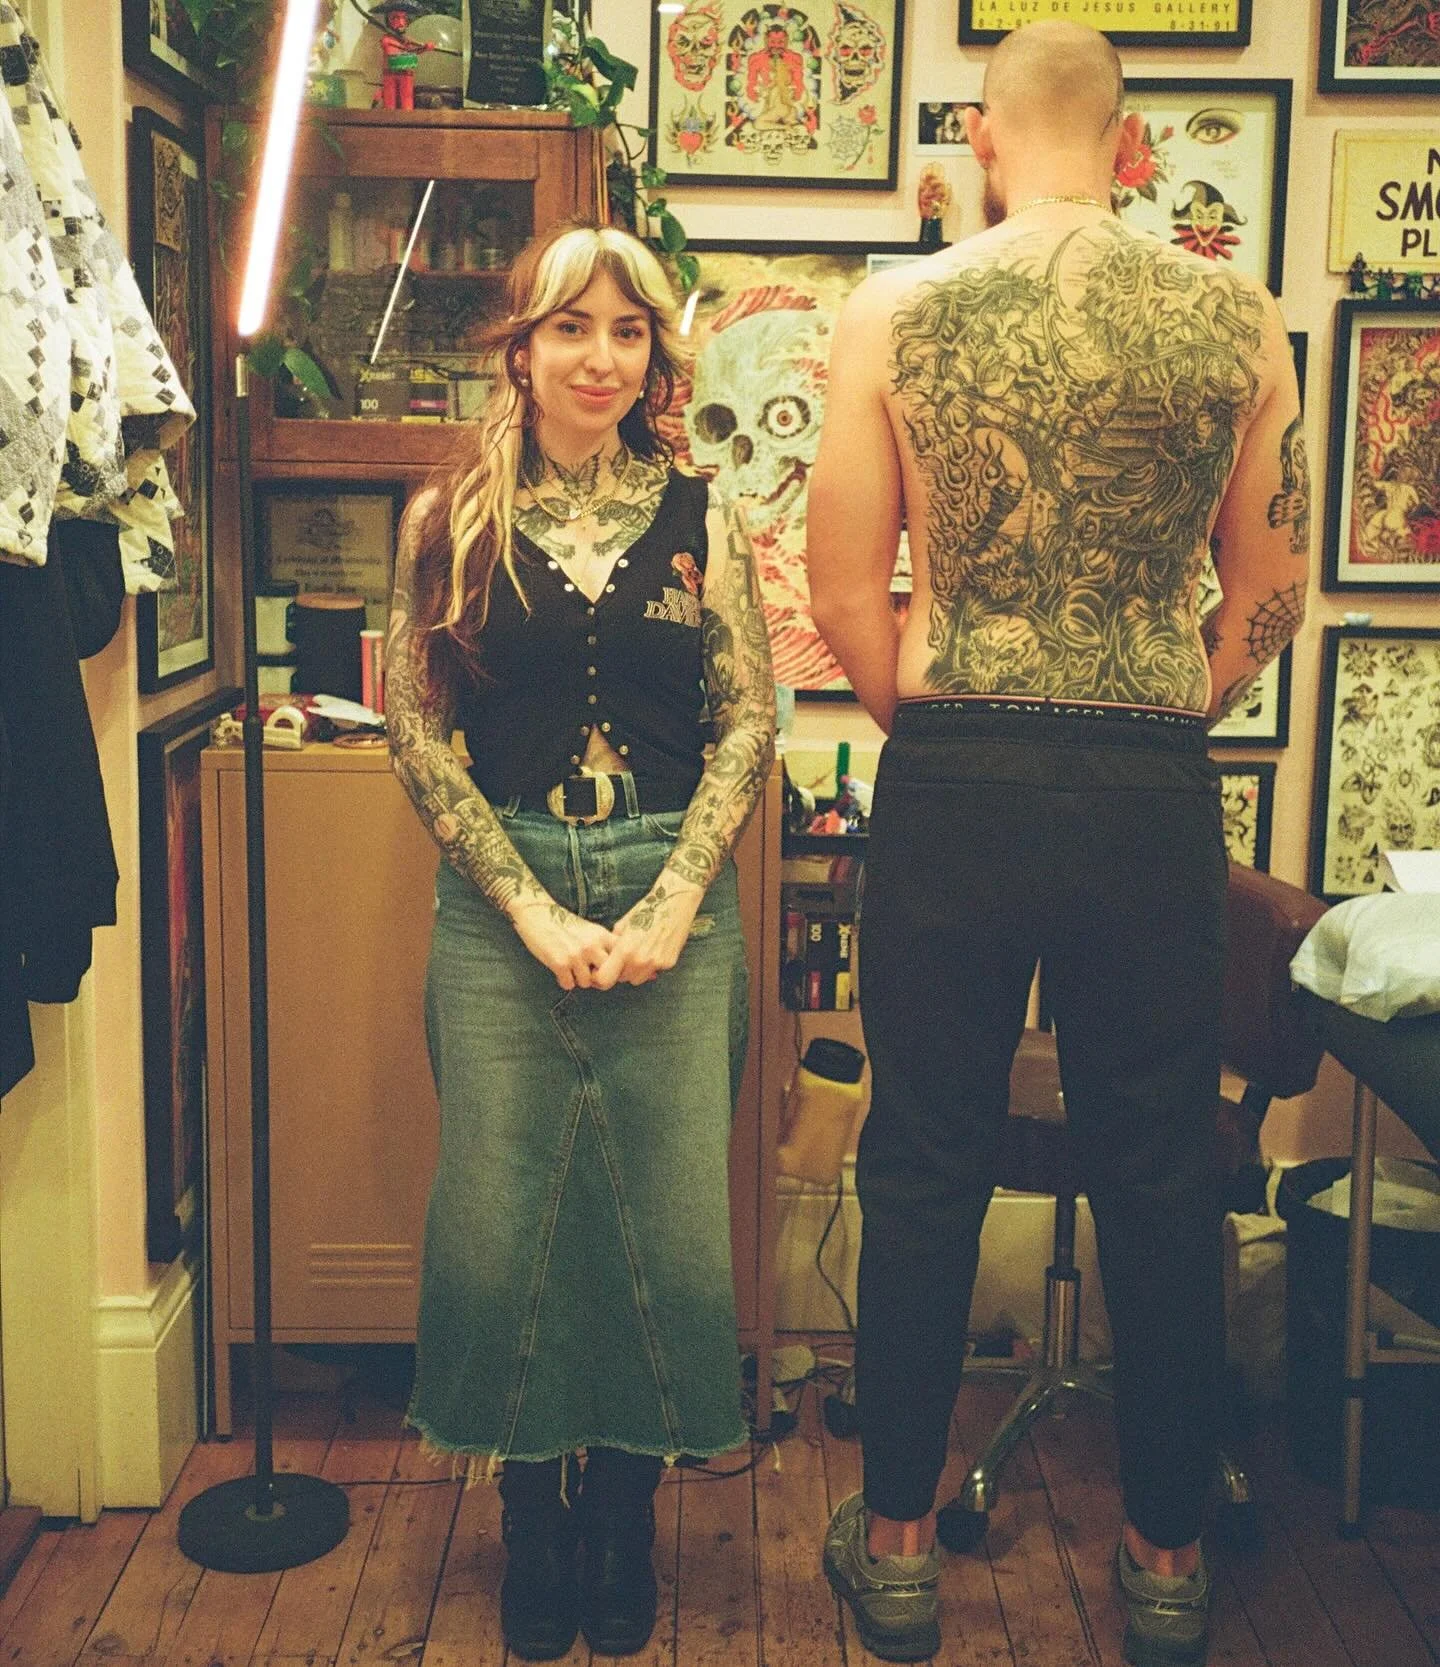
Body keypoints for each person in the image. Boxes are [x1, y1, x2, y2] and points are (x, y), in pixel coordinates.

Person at [806, 21, 1308, 1667]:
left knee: (924, 1153)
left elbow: (837, 588)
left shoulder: (897, 308)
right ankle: (1164, 1564)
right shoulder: (1239, 322)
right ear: (1136, 142)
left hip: (958, 760)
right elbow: (1267, 592)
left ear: (976, 131)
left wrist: (938, 725)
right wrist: (1167, 706)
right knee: (1162, 1169)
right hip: (1151, 771)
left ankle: (892, 1551)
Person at [386, 223, 775, 1661]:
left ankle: (626, 1509)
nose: (600, 356)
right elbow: (417, 731)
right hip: (506, 904)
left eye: (628, 332)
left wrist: (673, 897)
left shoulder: (704, 514)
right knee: (501, 1227)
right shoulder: (450, 518)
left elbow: (749, 713)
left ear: (656, 356)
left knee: (658, 1226)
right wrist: (536, 907)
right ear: (523, 346)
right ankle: (529, 1511)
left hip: (674, 887)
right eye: (571, 328)